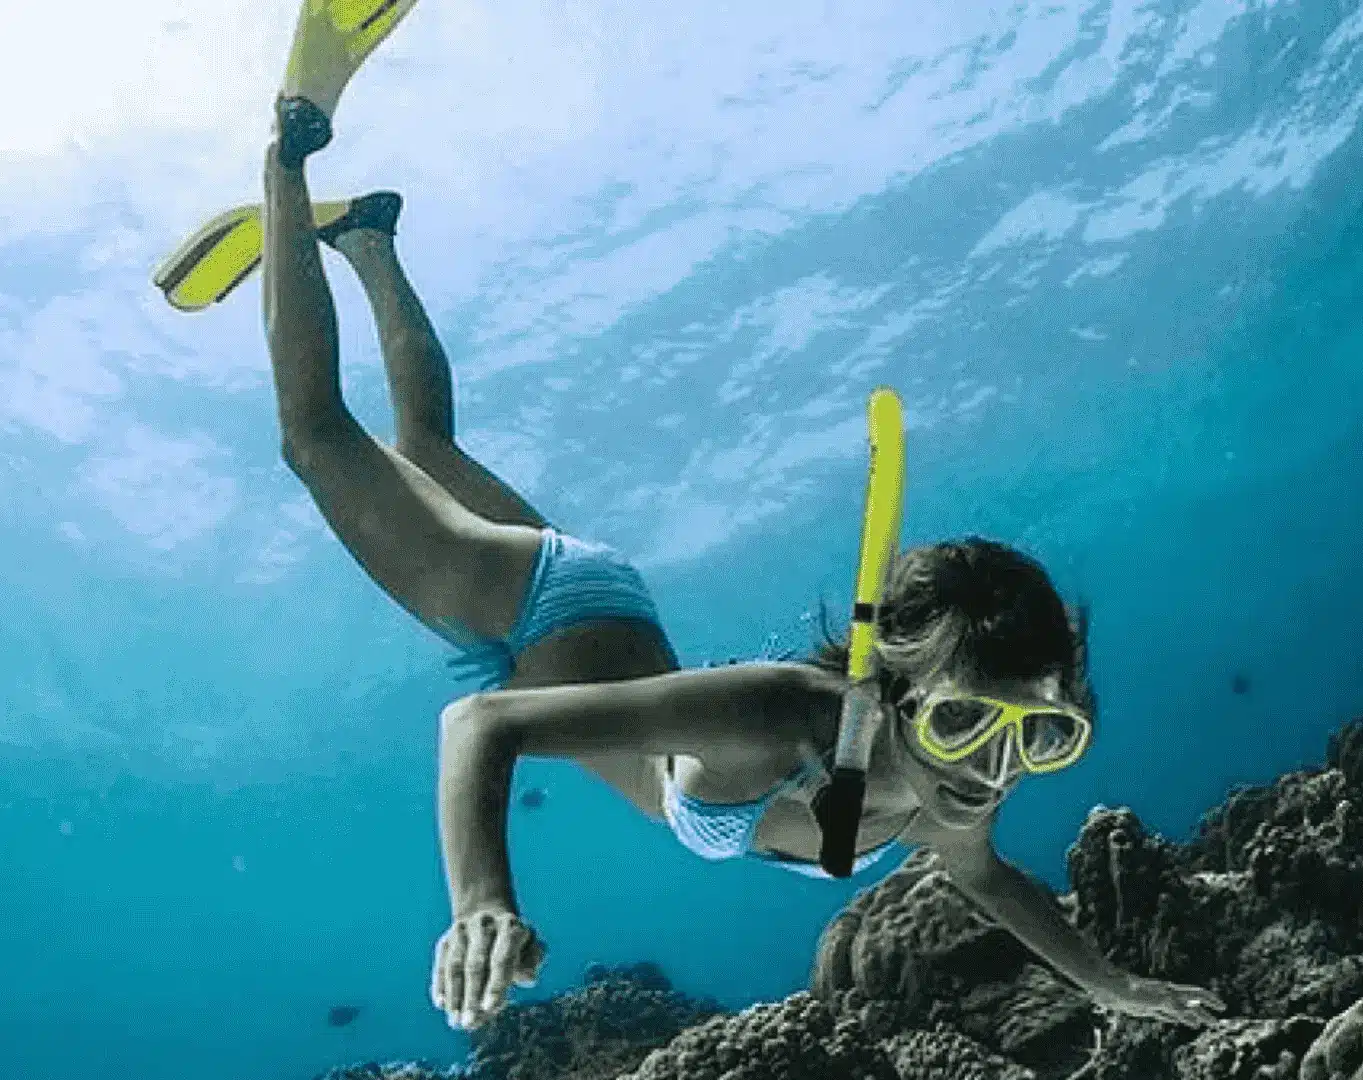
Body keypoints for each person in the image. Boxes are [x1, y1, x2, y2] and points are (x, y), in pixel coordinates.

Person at [259, 89, 1226, 1032]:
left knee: (425, 451)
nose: (996, 769)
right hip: (544, 610)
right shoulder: (780, 716)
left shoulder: (954, 788)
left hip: (609, 614)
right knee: (316, 438)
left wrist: (1113, 986)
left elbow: (985, 877)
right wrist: (481, 902)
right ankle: (286, 166)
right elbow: (481, 724)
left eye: (1041, 735)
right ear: (891, 691)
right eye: (970, 720)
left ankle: (371, 240)